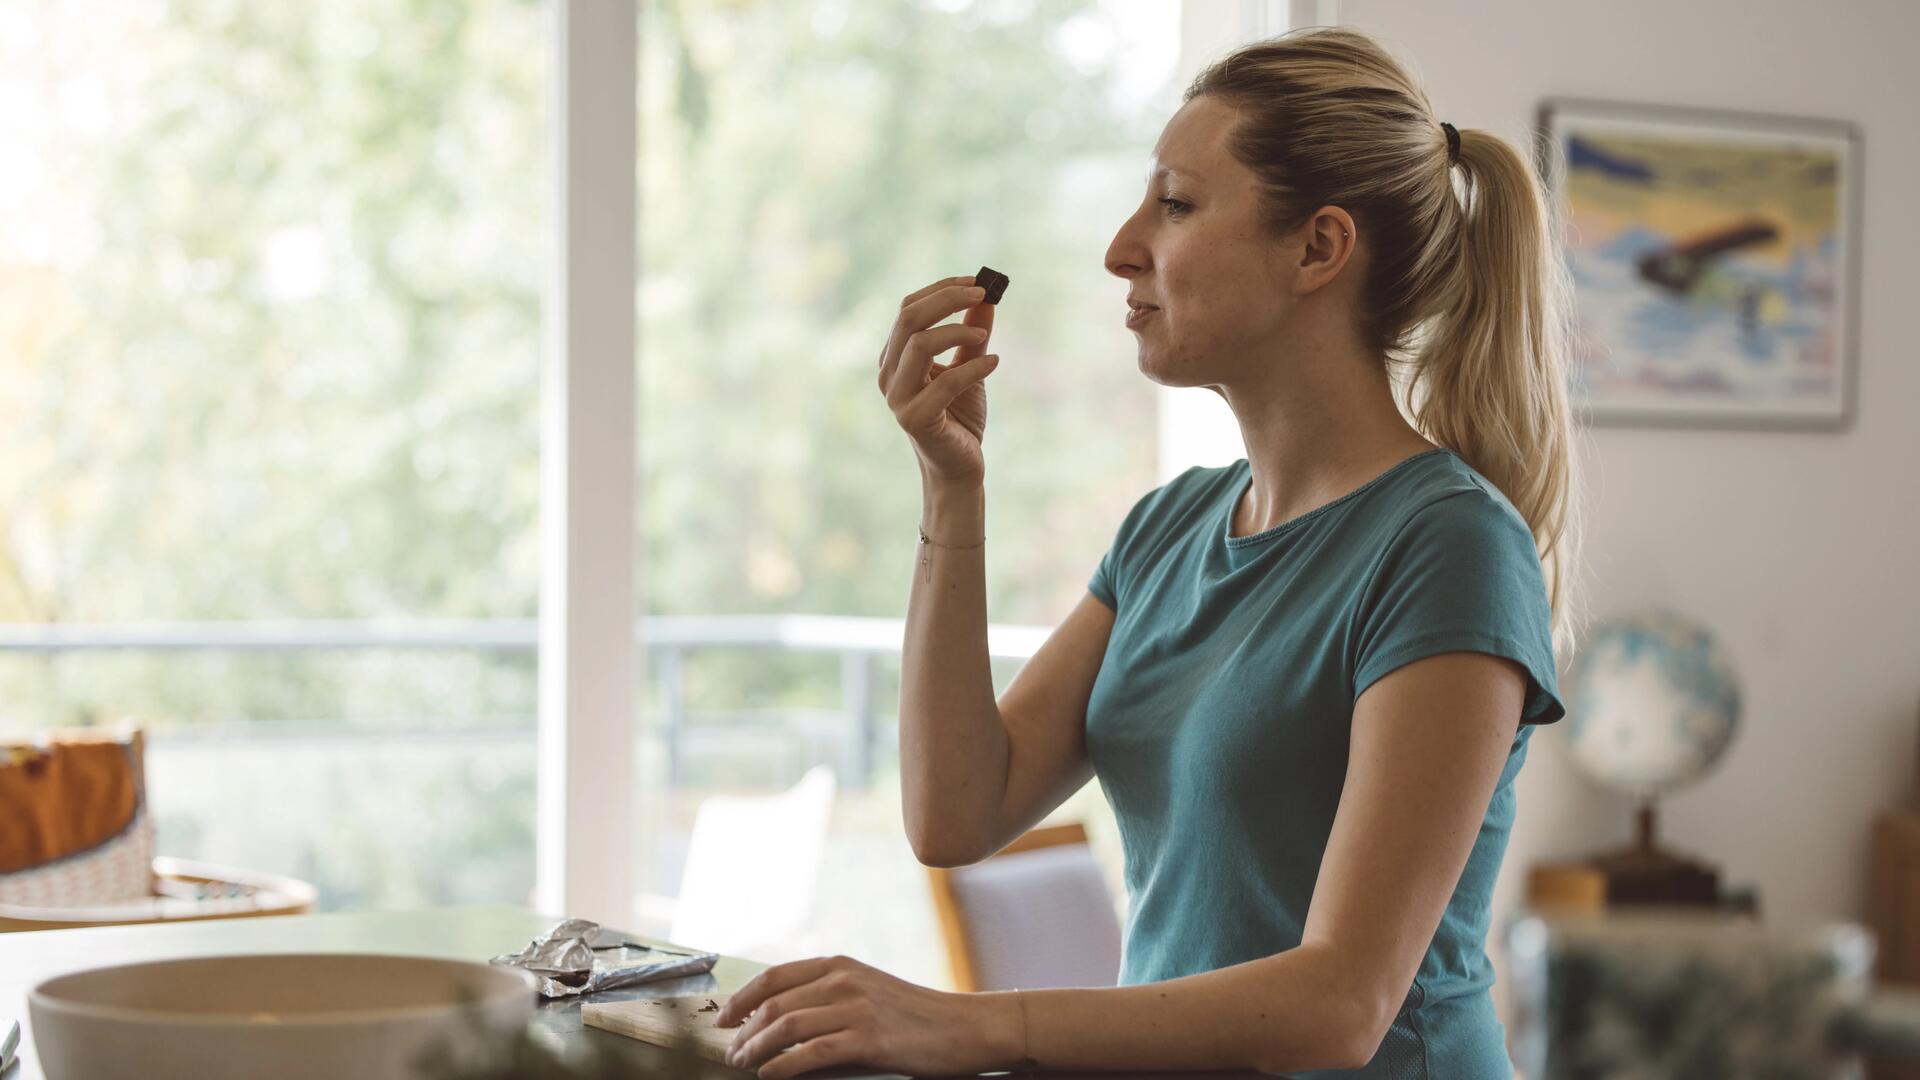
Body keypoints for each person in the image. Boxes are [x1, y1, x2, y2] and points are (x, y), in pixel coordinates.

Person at [715, 25, 1582, 1080]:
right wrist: (953, 486)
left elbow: (1342, 1003)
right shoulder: (1168, 529)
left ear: (1317, 249)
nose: (1123, 247)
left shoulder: (1448, 546)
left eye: (1174, 204)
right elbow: (956, 810)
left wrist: (966, 1023)